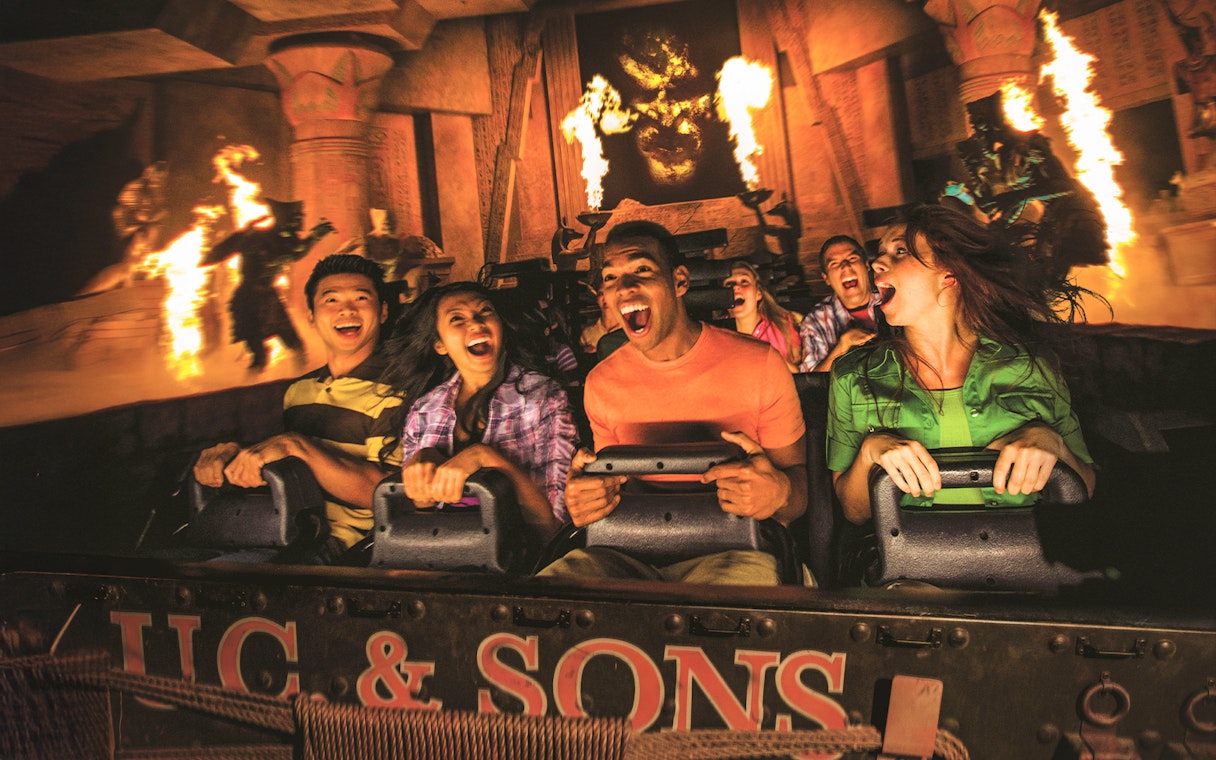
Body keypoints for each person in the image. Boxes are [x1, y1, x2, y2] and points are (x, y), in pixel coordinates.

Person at [538, 221, 807, 586]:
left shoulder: (760, 364)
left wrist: (777, 491)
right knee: (549, 595)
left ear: (679, 280)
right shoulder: (601, 382)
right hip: (630, 551)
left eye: (642, 270)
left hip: (739, 548)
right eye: (611, 277)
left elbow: (799, 492)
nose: (624, 287)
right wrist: (588, 497)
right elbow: (611, 486)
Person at [827, 204, 1097, 525]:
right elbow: (854, 513)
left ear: (949, 275)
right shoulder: (853, 376)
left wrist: (1053, 444)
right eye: (881, 252)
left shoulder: (1032, 366)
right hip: (911, 566)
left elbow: (1087, 488)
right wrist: (871, 451)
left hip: (1031, 563)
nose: (876, 262)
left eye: (900, 251)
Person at [192, 254, 403, 561]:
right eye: (331, 300)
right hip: (279, 529)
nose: (347, 309)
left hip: (342, 548)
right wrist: (231, 456)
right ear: (311, 316)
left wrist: (294, 446)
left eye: (361, 297)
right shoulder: (298, 391)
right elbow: (293, 466)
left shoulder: (397, 389)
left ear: (383, 312)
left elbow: (387, 492)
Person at [381, 282, 578, 542]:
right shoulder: (424, 411)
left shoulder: (543, 398)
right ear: (439, 344)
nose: (475, 324)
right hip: (443, 557)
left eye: (485, 312)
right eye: (457, 318)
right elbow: (412, 526)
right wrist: (421, 476)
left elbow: (554, 527)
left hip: (520, 563)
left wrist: (485, 458)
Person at [203, 199, 336, 370]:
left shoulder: (285, 242)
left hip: (270, 300)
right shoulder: (256, 238)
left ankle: (300, 385)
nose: (299, 223)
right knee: (260, 357)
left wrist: (315, 236)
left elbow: (295, 252)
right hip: (248, 302)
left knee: (297, 347)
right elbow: (218, 254)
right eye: (295, 218)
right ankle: (249, 393)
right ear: (283, 219)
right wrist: (242, 235)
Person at [798, 235, 885, 372]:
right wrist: (843, 345)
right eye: (834, 264)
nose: (845, 267)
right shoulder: (815, 321)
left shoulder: (892, 300)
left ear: (866, 265)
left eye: (852, 259)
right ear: (826, 278)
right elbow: (812, 381)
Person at [725, 259, 803, 371]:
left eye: (744, 281)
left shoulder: (783, 324)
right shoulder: (714, 334)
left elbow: (797, 375)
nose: (735, 287)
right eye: (729, 284)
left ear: (758, 293)